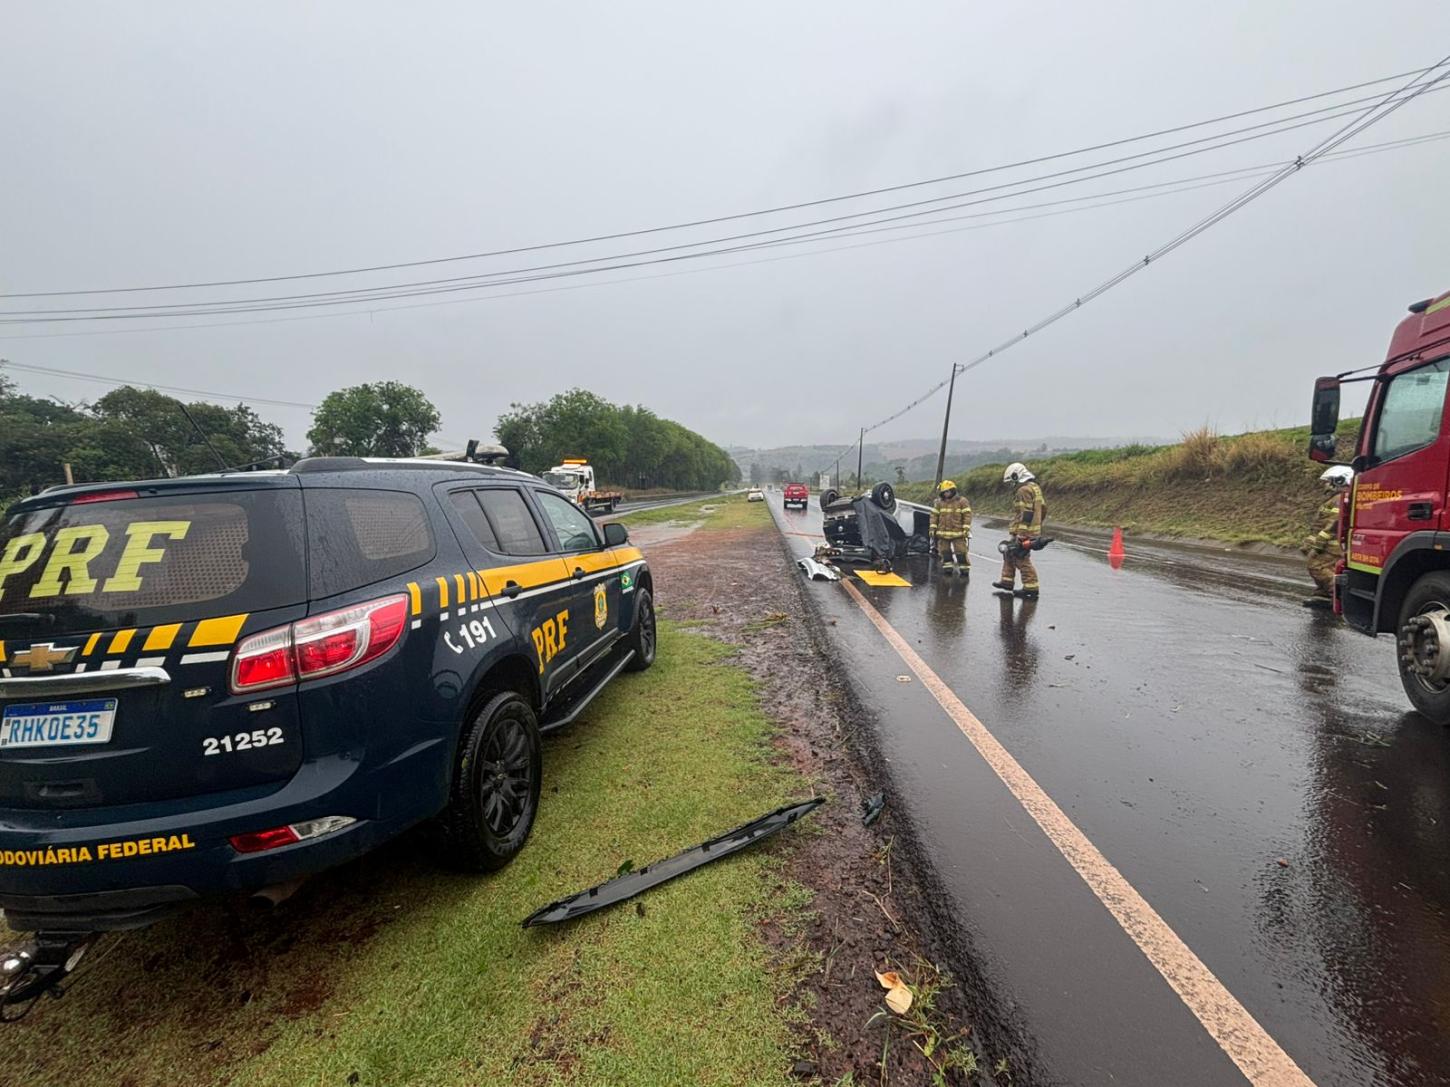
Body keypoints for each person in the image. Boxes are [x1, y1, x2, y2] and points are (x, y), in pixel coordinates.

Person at [993, 462, 1046, 598]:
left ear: (1018, 476)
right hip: (1031, 530)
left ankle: (1031, 587)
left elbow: (1026, 513)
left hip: (1023, 531)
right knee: (1008, 554)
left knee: (1021, 559)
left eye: (1012, 481)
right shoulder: (1035, 488)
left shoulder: (1023, 490)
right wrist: (1037, 525)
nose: (1012, 485)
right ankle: (1007, 581)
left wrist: (1022, 534)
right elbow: (1043, 509)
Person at [1304, 465, 1352, 604]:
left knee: (1316, 566)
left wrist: (1318, 545)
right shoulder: (1337, 498)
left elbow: (1333, 524)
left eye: (1329, 481)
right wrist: (1309, 543)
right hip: (1332, 544)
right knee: (1328, 568)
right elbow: (1320, 523)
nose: (1326, 485)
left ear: (1339, 481)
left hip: (1332, 545)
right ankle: (1324, 594)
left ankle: (1340, 595)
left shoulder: (1339, 499)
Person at [930, 479, 972, 575]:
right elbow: (934, 516)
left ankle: (964, 568)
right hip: (943, 533)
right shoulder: (939, 503)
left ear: (953, 490)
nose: (946, 494)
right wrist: (932, 528)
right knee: (945, 552)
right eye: (944, 492)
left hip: (958, 533)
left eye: (948, 491)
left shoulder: (962, 501)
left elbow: (967, 515)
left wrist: (966, 528)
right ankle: (948, 568)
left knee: (961, 552)